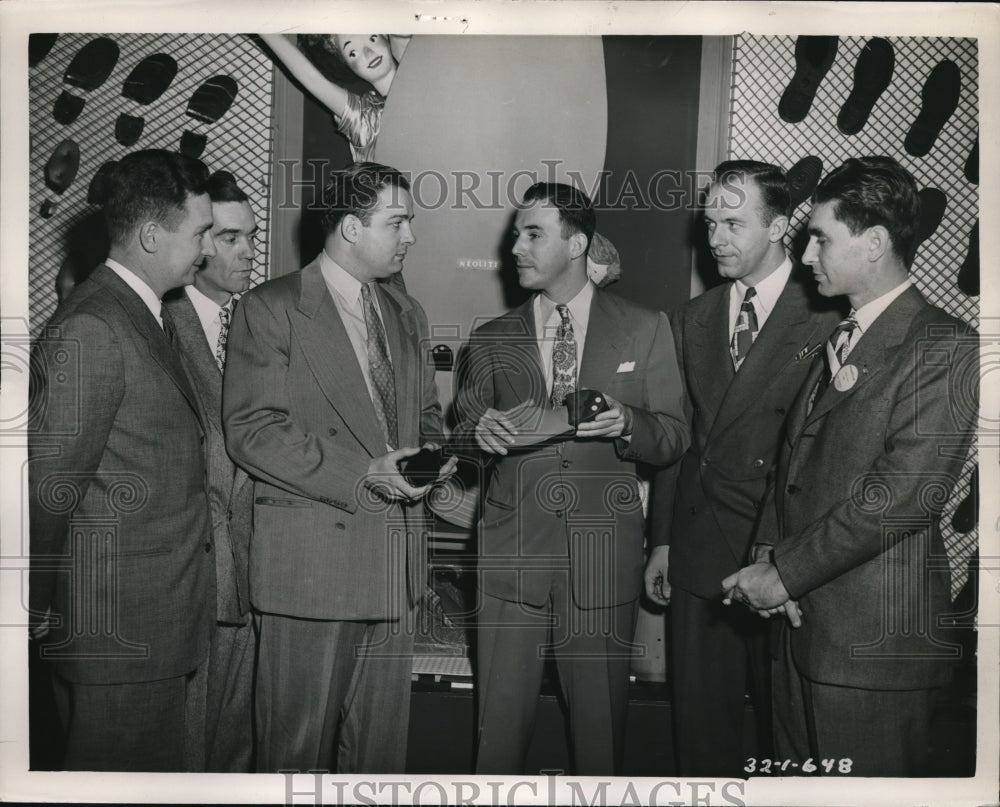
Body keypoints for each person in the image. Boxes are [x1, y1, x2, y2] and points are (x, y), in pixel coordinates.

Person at [722, 156, 977, 777]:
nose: (806, 254)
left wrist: (784, 572)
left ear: (874, 243)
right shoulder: (839, 337)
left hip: (872, 655)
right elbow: (794, 469)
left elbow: (906, 495)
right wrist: (766, 562)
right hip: (801, 637)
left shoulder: (944, 345)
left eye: (820, 238)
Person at [223, 161, 454, 773]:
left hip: (395, 572)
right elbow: (253, 432)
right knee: (292, 758)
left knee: (378, 761)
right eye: (398, 221)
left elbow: (426, 421)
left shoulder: (408, 313)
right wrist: (365, 474)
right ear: (351, 227)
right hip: (311, 571)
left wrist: (438, 462)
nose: (411, 236)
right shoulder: (272, 309)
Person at [453, 182, 688, 775]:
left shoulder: (644, 327)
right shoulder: (490, 338)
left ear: (577, 242)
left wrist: (628, 421)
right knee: (496, 742)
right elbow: (462, 431)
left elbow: (675, 436)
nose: (516, 247)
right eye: (516, 234)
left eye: (533, 234)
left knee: (600, 740)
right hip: (512, 560)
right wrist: (477, 432)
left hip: (601, 559)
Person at [642, 160, 842, 777]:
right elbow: (684, 441)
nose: (717, 238)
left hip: (784, 558)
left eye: (734, 222)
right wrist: (664, 540)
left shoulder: (829, 318)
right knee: (701, 740)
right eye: (710, 224)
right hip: (700, 553)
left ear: (781, 225)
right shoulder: (690, 318)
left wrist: (786, 556)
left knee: (792, 739)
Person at [29, 149, 217, 771]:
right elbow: (48, 490)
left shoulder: (145, 313)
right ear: (150, 235)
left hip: (155, 624)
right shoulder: (92, 327)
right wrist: (37, 605)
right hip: (114, 635)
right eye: (200, 234)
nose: (208, 251)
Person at [162, 169, 257, 771]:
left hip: (256, 572)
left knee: (238, 744)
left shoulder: (259, 323)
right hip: (191, 577)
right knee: (186, 746)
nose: (248, 250)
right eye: (228, 238)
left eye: (252, 235)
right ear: (196, 245)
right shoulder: (159, 325)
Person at [259, 33, 410, 162]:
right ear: (345, 63)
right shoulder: (365, 119)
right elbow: (313, 81)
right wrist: (262, 27)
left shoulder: (426, 70)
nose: (368, 53)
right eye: (353, 53)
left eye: (372, 38)